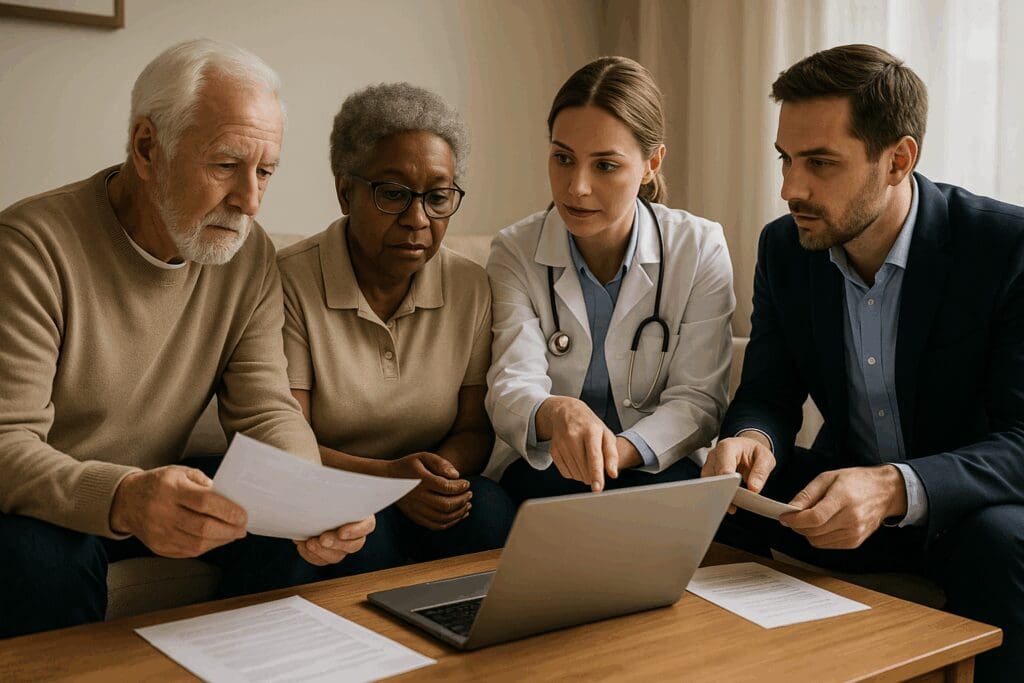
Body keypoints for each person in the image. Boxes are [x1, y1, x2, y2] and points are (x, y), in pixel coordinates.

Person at [0, 39, 374, 639]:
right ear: (148, 148)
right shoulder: (31, 246)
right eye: (226, 166)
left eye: (266, 171)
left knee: (288, 543)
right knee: (41, 559)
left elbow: (265, 410)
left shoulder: (248, 255)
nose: (250, 200)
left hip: (160, 484)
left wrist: (311, 505)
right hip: (52, 502)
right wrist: (122, 495)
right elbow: (7, 441)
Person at [704, 44, 1024, 681]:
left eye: (820, 163)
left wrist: (894, 486)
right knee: (722, 499)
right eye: (786, 160)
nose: (791, 188)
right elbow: (768, 389)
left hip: (964, 512)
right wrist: (751, 438)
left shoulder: (1004, 248)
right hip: (841, 500)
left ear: (898, 160)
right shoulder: (786, 247)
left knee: (1004, 540)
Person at [278, 83, 515, 572]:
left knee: (491, 514)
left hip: (418, 483)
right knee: (364, 539)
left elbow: (474, 427)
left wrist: (438, 477)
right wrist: (389, 481)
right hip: (324, 485)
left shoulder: (470, 285)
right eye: (393, 194)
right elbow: (285, 439)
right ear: (346, 192)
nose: (417, 219)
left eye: (438, 197)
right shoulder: (288, 281)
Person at [487, 56, 735, 504]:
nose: (576, 187)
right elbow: (510, 384)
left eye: (605, 166)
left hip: (656, 463)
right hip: (548, 468)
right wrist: (558, 412)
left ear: (651, 164)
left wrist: (615, 453)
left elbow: (698, 401)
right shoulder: (514, 251)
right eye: (563, 158)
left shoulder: (698, 248)